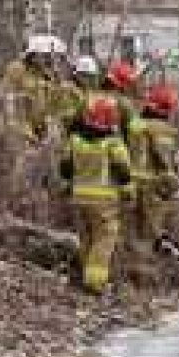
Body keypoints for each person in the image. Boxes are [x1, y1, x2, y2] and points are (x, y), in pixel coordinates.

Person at [58, 97, 133, 294]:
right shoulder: (113, 143)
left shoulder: (74, 140)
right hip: (104, 201)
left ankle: (85, 275)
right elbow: (123, 171)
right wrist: (128, 190)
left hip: (78, 197)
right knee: (104, 239)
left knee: (86, 238)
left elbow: (65, 168)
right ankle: (94, 283)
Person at [128, 82, 179, 254]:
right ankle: (142, 273)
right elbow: (165, 163)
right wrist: (173, 186)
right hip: (151, 188)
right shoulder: (160, 129)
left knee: (131, 233)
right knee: (148, 237)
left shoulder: (134, 124)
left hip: (127, 186)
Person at [0, 34, 69, 143]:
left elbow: (55, 109)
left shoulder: (50, 77)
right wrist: (26, 133)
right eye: (46, 56)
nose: (51, 60)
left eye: (56, 57)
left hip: (41, 133)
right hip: (20, 132)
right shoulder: (18, 70)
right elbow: (9, 104)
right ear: (33, 55)